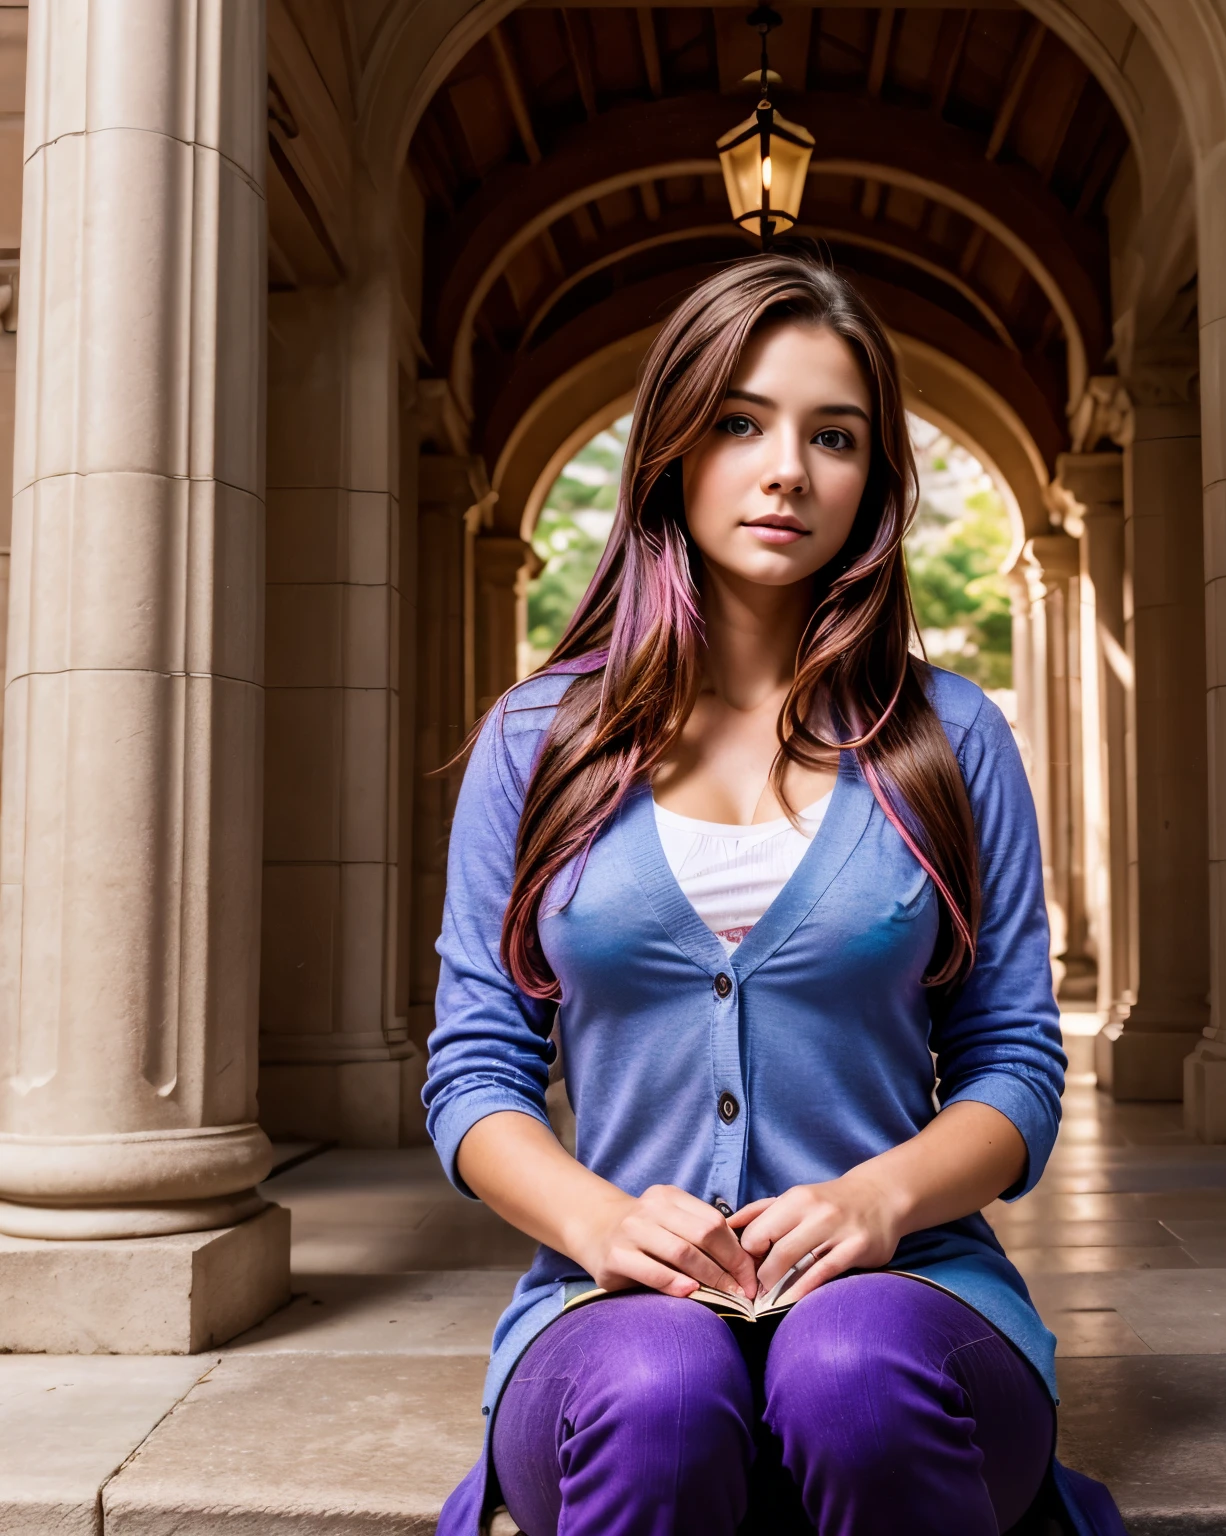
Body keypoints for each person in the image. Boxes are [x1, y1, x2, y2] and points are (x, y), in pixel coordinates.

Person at [426, 254, 1125, 1536]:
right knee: (659, 1389)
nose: (787, 467)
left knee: (851, 1372)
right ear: (672, 450)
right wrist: (600, 1220)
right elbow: (474, 1071)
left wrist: (878, 1202)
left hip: (917, 1303)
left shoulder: (952, 738)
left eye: (835, 435)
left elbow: (1014, 1065)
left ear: (874, 480)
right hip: (607, 1321)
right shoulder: (537, 743)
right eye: (742, 421)